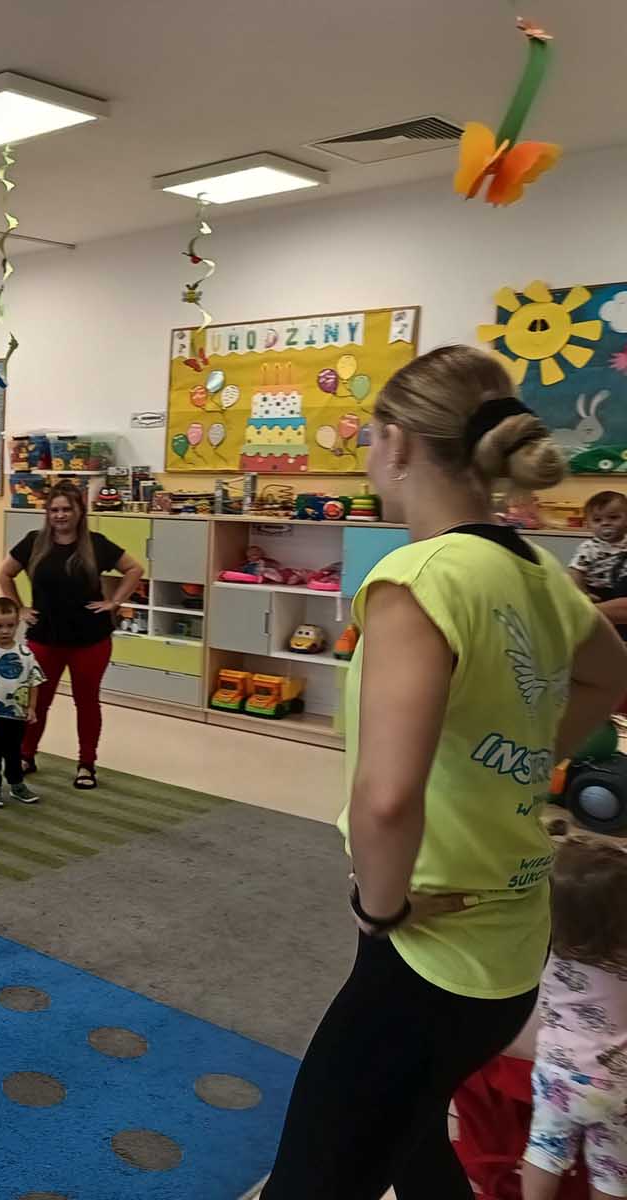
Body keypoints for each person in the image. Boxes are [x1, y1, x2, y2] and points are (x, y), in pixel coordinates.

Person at [260, 345, 627, 1200]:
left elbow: (386, 800)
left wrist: (378, 908)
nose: (366, 457)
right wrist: (525, 754)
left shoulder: (417, 577)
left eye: (368, 439)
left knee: (313, 1178)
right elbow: (612, 675)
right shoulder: (535, 570)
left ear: (395, 442)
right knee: (414, 1138)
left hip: (431, 953)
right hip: (513, 944)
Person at [0, 479, 143, 789]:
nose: (60, 515)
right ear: (47, 513)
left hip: (90, 640)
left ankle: (86, 764)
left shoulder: (96, 544)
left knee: (86, 703)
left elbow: (134, 569)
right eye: (54, 510)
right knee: (37, 700)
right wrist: (19, 608)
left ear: (79, 511)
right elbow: (4, 573)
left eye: (66, 509)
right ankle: (26, 755)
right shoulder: (34, 542)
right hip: (44, 638)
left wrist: (115, 602)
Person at [521, 837, 627, 1199]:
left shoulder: (548, 949)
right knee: (612, 1168)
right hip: (614, 1083)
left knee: (544, 1148)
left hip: (555, 1074)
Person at [0, 596, 45, 808]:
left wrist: (31, 708)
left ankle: (16, 784)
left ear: (17, 625)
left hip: (17, 714)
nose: (5, 631)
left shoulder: (26, 654)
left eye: (10, 626)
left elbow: (34, 681)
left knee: (14, 751)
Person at [568, 490, 627, 600]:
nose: (605, 523)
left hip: (621, 589)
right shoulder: (589, 548)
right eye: (597, 520)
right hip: (596, 591)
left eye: (613, 517)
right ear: (588, 525)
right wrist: (584, 594)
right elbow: (575, 572)